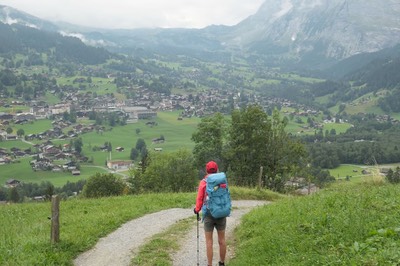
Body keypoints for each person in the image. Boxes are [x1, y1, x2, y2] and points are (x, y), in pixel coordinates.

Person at [194, 161, 226, 266]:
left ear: (206, 170)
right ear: (217, 169)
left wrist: (197, 209)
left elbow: (200, 198)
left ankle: (209, 264)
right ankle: (222, 263)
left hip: (208, 214)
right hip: (221, 212)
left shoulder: (204, 182)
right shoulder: (222, 180)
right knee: (222, 240)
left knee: (209, 242)